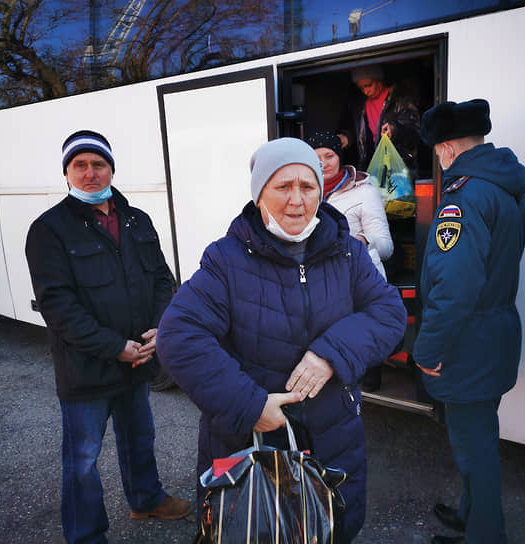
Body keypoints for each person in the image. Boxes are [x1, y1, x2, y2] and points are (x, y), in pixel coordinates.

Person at [155, 137, 407, 542]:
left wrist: (332, 354)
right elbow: (179, 336)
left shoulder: (348, 253)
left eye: (307, 187)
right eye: (282, 186)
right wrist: (250, 406)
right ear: (259, 196)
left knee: (332, 528)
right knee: (255, 530)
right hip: (250, 444)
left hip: (333, 438)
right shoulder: (226, 259)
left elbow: (389, 314)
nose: (297, 200)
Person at [25, 130, 191, 544]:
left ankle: (145, 497)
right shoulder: (49, 229)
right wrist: (114, 347)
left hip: (138, 360)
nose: (89, 173)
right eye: (79, 165)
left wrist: (161, 327)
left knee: (140, 438)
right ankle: (85, 535)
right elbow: (57, 306)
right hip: (87, 369)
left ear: (111, 169)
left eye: (98, 164)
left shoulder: (137, 219)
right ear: (66, 174)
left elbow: (160, 279)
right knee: (82, 460)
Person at [412, 99, 525, 544]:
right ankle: (470, 514)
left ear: (445, 150)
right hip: (495, 334)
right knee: (480, 435)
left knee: (474, 448)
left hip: (467, 345)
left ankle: (485, 535)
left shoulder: (463, 197)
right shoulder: (506, 187)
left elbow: (454, 288)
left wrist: (427, 350)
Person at [306, 131, 395, 392]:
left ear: (340, 156)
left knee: (366, 369)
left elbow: (386, 247)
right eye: (316, 157)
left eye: (329, 155)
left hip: (360, 283)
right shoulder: (305, 192)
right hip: (325, 284)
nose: (322, 163)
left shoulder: (364, 192)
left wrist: (361, 239)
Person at [338, 64, 422, 174]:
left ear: (379, 79)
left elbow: (415, 131)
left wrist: (394, 130)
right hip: (371, 169)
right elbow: (357, 132)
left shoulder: (400, 98)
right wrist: (346, 138)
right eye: (361, 87)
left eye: (368, 85)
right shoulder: (359, 105)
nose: (365, 91)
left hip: (399, 171)